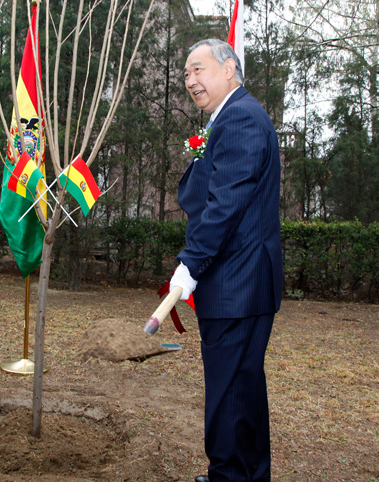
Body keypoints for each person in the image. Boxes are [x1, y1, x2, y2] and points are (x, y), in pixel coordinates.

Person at [172, 39, 282, 482]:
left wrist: (191, 263)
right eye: (186, 75)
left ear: (230, 68)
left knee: (231, 387)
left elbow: (225, 204)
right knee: (242, 384)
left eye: (199, 69)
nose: (191, 81)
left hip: (238, 279)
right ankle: (243, 473)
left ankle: (230, 477)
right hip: (238, 280)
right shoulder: (232, 117)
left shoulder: (239, 117)